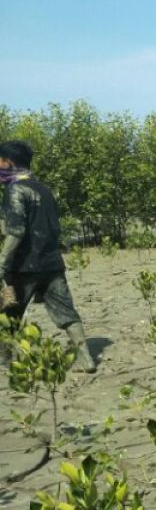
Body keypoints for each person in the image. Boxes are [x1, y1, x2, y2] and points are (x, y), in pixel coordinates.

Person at [0, 141, 97, 372]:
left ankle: (5, 361)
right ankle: (87, 359)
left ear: (9, 162)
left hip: (24, 268)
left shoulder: (14, 190)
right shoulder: (44, 189)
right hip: (52, 263)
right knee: (67, 312)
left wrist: (2, 262)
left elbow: (16, 232)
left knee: (7, 315)